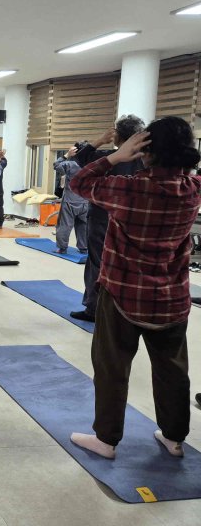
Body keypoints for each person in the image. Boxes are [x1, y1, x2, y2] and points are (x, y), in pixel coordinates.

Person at [69, 116, 201, 459]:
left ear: (145, 151)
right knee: (173, 372)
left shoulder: (128, 187)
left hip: (122, 295)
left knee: (112, 369)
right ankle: (174, 438)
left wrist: (116, 156)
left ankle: (107, 440)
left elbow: (79, 181)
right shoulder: (193, 189)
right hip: (172, 299)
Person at [70, 115, 145, 322]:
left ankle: (94, 309)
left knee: (97, 262)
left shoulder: (108, 158)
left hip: (103, 217)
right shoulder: (148, 160)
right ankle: (124, 309)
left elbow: (81, 160)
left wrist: (101, 139)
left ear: (118, 136)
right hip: (136, 220)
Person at [53, 147, 88, 254]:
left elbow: (56, 165)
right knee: (83, 226)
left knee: (64, 225)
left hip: (70, 201)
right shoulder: (91, 165)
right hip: (85, 202)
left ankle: (62, 248)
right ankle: (83, 248)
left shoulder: (71, 164)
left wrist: (66, 155)